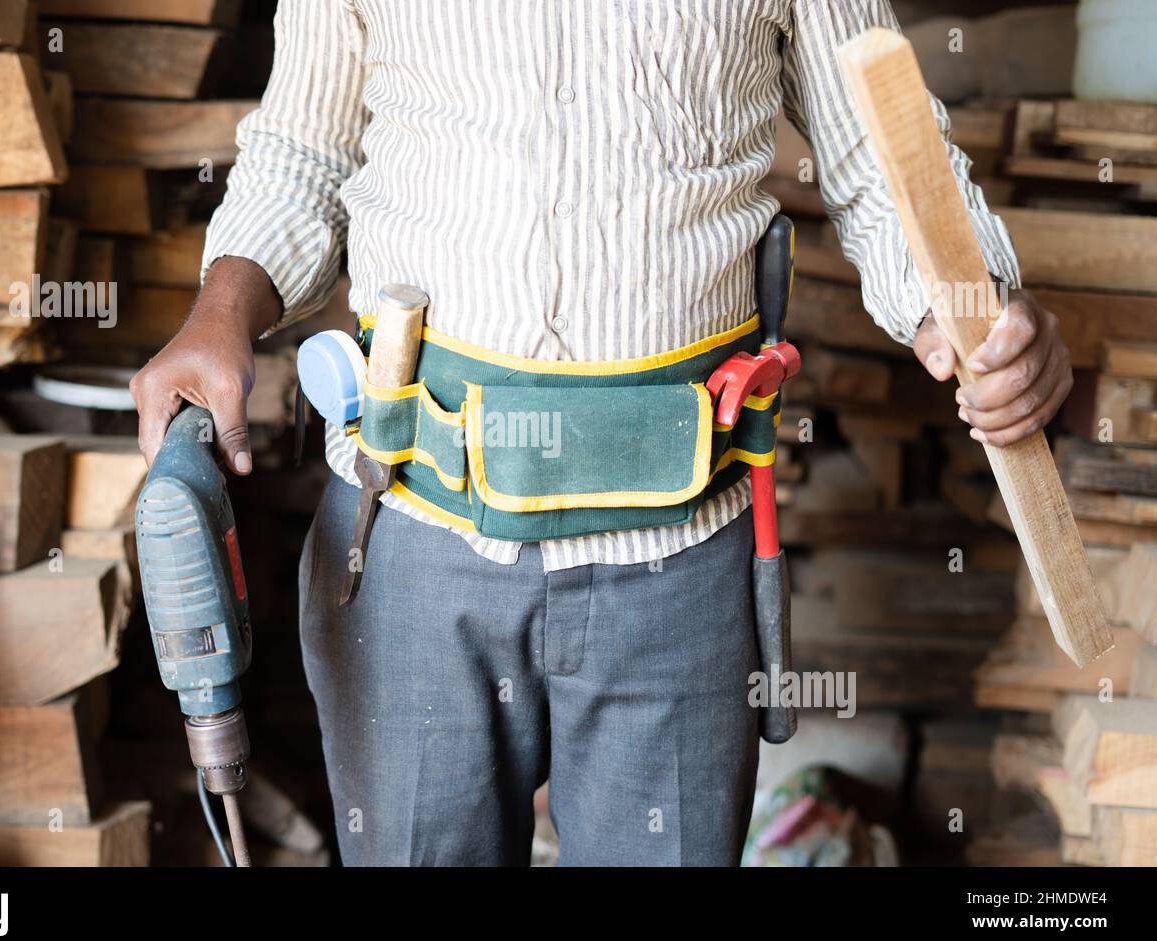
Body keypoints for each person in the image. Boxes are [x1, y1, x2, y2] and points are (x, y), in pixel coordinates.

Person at [130, 0, 1073, 866]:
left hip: (680, 557)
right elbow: (304, 154)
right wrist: (221, 311)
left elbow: (880, 152)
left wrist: (973, 310)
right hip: (412, 535)